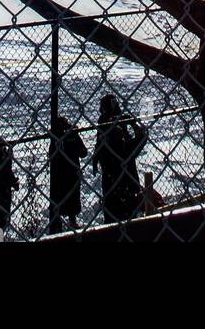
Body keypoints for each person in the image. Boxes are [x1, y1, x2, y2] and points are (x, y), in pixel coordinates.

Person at [92, 94, 147, 223]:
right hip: (116, 167)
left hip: (117, 168)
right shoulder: (107, 122)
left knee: (119, 205)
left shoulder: (117, 121)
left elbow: (100, 143)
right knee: (118, 206)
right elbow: (101, 143)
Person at [48, 114, 88, 233]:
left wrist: (73, 150)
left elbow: (83, 152)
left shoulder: (72, 134)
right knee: (61, 196)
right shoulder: (57, 136)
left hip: (69, 171)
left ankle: (70, 221)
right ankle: (59, 223)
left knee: (71, 195)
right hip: (62, 172)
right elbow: (52, 154)